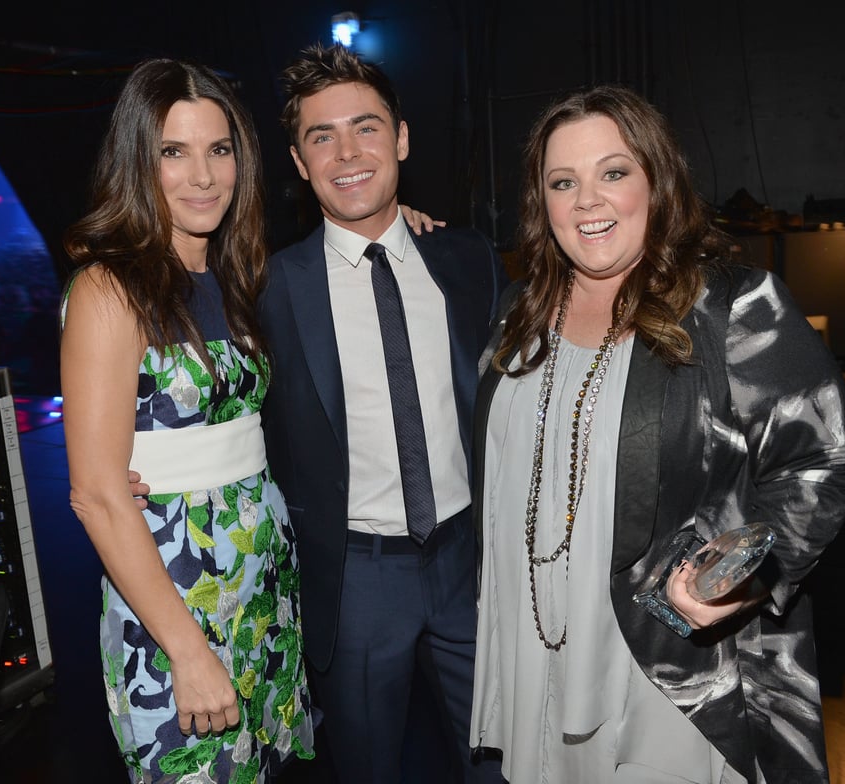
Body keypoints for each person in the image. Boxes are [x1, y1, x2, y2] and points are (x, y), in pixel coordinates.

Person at [468, 85, 845, 783]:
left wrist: (738, 581)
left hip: (664, 660)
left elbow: (822, 463)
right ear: (542, 202)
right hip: (535, 642)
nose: (588, 201)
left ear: (658, 181)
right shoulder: (517, 313)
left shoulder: (732, 306)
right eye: (564, 181)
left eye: (613, 173)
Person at [257, 43, 510, 782]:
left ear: (400, 139)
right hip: (357, 582)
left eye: (366, 128)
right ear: (300, 164)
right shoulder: (269, 291)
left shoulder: (468, 261)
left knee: (504, 759)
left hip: (471, 563)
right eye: (321, 137)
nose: (347, 152)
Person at [59, 58, 315, 784]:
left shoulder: (233, 274)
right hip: (177, 597)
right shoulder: (110, 288)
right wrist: (189, 653)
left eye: (219, 149)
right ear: (139, 160)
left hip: (259, 584)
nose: (202, 176)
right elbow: (99, 494)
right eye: (173, 152)